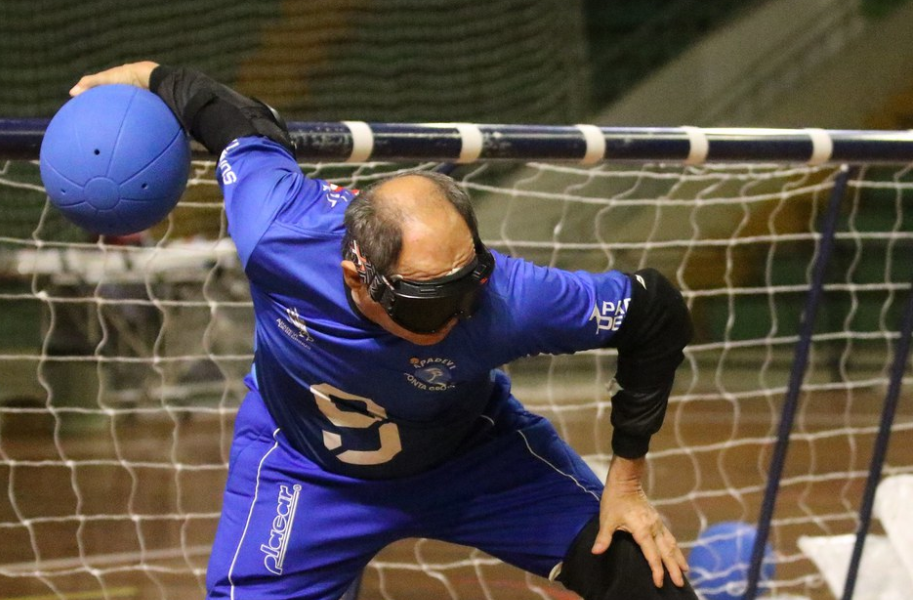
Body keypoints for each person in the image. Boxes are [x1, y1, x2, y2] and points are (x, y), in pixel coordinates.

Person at [71, 62, 698, 600]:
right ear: (356, 277)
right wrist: (151, 78)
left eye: (466, 288)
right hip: (305, 466)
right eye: (426, 305)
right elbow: (234, 117)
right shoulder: (277, 234)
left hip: (474, 459)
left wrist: (628, 484)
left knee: (648, 576)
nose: (455, 318)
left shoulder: (509, 298)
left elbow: (655, 310)